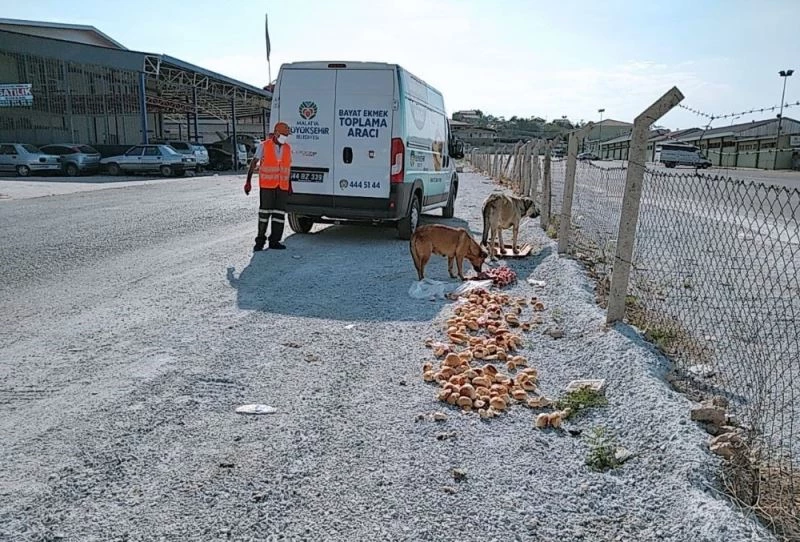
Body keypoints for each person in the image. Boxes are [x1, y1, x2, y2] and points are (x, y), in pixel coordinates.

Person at [244, 122, 293, 252]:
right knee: (264, 214)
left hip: (282, 186)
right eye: (283, 135)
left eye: (286, 135)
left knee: (279, 215)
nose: (285, 137)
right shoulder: (264, 146)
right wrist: (248, 182)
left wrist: (290, 185)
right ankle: (260, 241)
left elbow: (288, 168)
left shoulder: (287, 148)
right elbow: (254, 163)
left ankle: (275, 241)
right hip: (267, 186)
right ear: (276, 133)